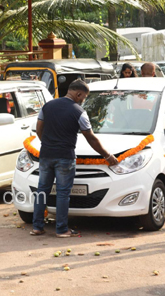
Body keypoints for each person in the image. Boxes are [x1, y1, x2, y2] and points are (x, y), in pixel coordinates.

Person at [31, 79, 118, 237]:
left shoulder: (48, 106)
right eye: (83, 97)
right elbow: (90, 138)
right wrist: (107, 155)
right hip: (65, 157)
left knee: (42, 190)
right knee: (63, 193)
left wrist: (48, 144)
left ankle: (37, 227)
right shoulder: (78, 112)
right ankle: (62, 229)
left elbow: (39, 129)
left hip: (45, 155)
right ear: (78, 94)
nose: (83, 100)